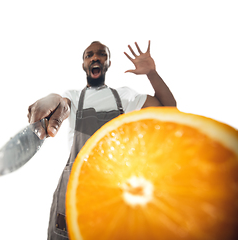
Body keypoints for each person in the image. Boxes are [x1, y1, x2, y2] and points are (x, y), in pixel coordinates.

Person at [27, 40, 176, 239]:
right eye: (89, 55)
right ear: (83, 64)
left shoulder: (125, 96)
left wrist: (151, 72)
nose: (95, 57)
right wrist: (54, 102)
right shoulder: (73, 96)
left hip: (114, 190)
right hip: (74, 190)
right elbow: (63, 105)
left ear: (108, 62)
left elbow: (169, 110)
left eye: (101, 54)